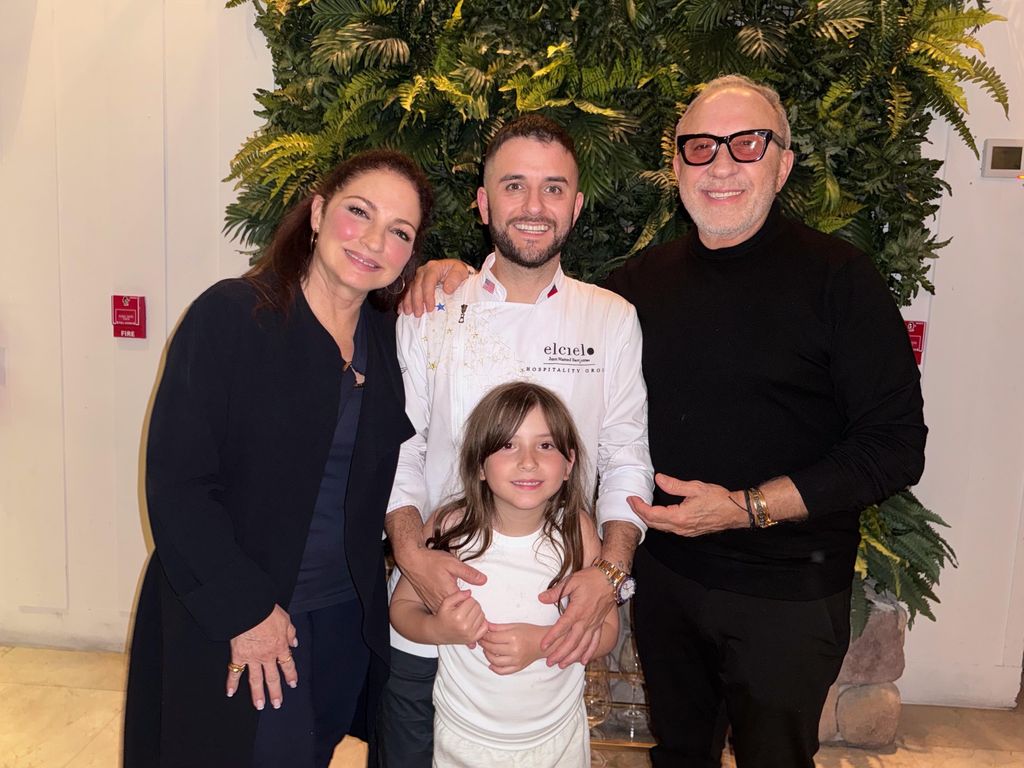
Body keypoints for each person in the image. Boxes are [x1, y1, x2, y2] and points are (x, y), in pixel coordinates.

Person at [402, 75, 927, 768]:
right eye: (700, 146)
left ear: (784, 162)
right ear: (676, 164)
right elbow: (597, 410)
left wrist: (748, 509)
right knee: (679, 754)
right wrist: (442, 273)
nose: (721, 164)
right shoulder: (636, 288)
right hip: (671, 582)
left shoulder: (840, 279)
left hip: (787, 588)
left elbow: (894, 449)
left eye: (747, 144)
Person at [123, 150, 433, 768]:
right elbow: (178, 484)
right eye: (358, 212)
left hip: (341, 619)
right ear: (317, 214)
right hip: (244, 615)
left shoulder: (387, 336)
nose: (374, 240)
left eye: (399, 231)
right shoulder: (232, 317)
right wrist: (247, 613)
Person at [379, 114, 653, 766]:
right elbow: (400, 449)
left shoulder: (610, 319)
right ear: (483, 202)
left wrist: (609, 573)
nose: (534, 207)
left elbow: (624, 458)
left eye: (554, 188)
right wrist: (415, 558)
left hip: (545, 616)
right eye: (514, 187)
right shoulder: (433, 309)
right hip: (433, 610)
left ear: (577, 205)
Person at [390, 382, 619, 767]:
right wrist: (438, 630)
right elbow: (402, 610)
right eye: (508, 445)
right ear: (479, 464)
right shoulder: (448, 527)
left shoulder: (578, 531)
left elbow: (608, 630)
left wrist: (544, 643)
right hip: (463, 740)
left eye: (545, 445)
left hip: (556, 741)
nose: (527, 461)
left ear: (569, 463)